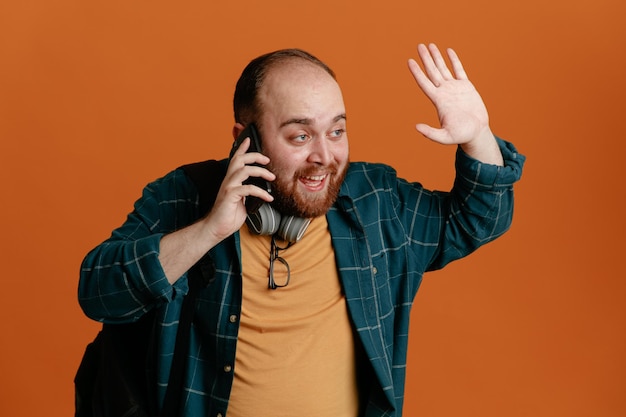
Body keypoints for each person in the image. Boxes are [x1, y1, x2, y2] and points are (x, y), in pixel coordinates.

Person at [78, 43, 525, 417]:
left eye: (337, 131)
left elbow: (476, 220)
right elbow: (99, 293)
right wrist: (211, 230)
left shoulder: (375, 202)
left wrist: (477, 136)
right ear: (243, 139)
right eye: (300, 136)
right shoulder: (184, 197)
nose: (325, 156)